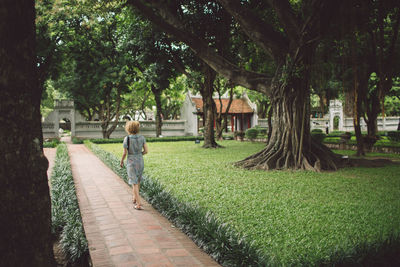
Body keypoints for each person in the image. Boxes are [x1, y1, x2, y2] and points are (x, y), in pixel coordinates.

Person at [120, 121, 148, 210]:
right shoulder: (142, 138)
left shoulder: (127, 139)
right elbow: (146, 151)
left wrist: (121, 161)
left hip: (131, 162)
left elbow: (125, 153)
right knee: (137, 181)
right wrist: (139, 155)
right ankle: (135, 198)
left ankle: (139, 204)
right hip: (140, 161)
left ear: (128, 128)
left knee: (134, 183)